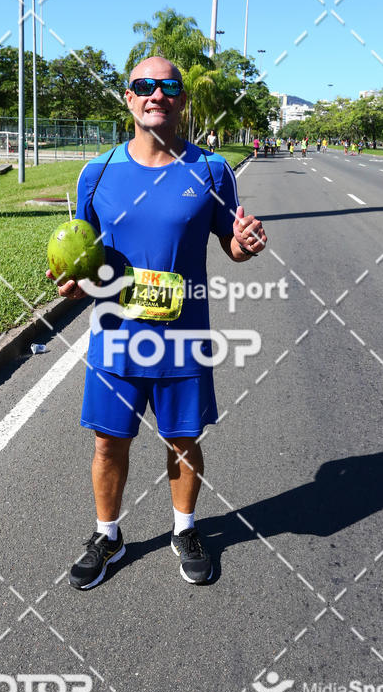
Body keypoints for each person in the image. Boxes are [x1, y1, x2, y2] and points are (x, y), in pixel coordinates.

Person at [48, 56, 267, 590]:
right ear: (128, 98)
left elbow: (231, 247)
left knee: (183, 439)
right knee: (107, 442)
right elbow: (88, 256)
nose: (156, 94)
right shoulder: (97, 173)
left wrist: (246, 244)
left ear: (182, 99)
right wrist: (77, 283)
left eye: (168, 86)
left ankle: (185, 529)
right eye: (144, 86)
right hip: (116, 337)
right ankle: (109, 536)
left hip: (184, 338)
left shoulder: (212, 170)